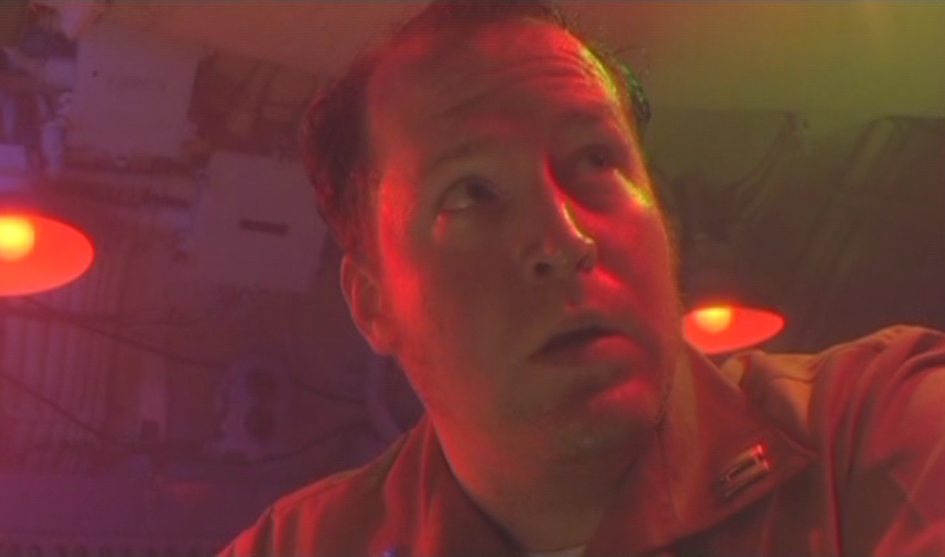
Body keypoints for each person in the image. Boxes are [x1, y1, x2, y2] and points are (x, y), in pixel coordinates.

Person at [218, 1, 945, 555]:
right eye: (471, 193)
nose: (565, 241)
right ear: (374, 304)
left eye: (597, 160)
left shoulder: (877, 425)